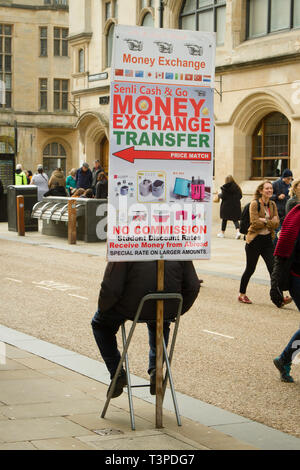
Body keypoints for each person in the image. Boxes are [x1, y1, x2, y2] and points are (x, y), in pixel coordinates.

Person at [91, 261, 200, 398]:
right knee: (161, 321)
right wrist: (177, 310)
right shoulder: (176, 242)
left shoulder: (125, 242)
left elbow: (111, 288)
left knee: (100, 325)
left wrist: (104, 308)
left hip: (132, 307)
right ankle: (156, 368)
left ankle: (117, 372)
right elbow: (193, 286)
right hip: (167, 305)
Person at [270, 205, 300, 382]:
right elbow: (280, 254)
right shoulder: (296, 216)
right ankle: (285, 359)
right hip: (297, 278)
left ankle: (284, 359)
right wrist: (275, 285)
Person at [238, 181, 280, 304]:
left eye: (271, 188)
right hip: (254, 241)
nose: (269, 190)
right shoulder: (254, 204)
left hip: (267, 240)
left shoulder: (272, 204)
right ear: (261, 191)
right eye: (267, 188)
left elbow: (277, 223)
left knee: (273, 269)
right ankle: (242, 294)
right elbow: (255, 223)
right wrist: (269, 221)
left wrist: (265, 221)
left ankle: (278, 298)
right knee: (250, 269)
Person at [271, 169, 293, 245]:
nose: (289, 180)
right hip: (277, 212)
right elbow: (269, 196)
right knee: (278, 232)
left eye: (291, 179)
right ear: (284, 177)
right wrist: (277, 197)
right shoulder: (276, 184)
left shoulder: (290, 185)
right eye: (288, 179)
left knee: (284, 232)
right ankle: (274, 248)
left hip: (286, 212)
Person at [217, 175, 242, 239]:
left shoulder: (224, 188)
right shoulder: (237, 187)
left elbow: (224, 197)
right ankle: (238, 232)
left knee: (224, 219)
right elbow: (240, 196)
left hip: (226, 206)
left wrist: (219, 195)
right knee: (235, 220)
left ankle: (222, 233)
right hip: (235, 206)